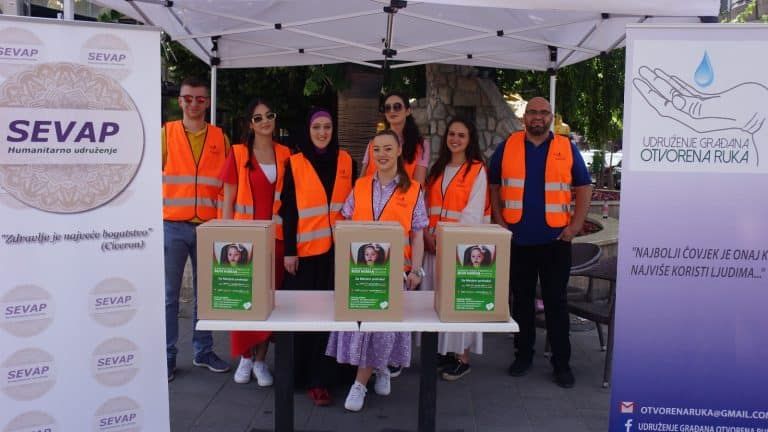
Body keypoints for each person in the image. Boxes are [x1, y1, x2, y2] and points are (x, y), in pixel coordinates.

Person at [489, 97, 592, 389]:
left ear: (551, 117)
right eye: (532, 112)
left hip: (555, 242)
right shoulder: (508, 145)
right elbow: (494, 183)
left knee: (556, 303)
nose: (538, 117)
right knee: (521, 301)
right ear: (525, 117)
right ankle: (523, 356)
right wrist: (499, 217)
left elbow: (584, 188)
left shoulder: (565, 147)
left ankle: (562, 364)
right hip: (518, 240)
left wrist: (574, 227)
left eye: (543, 113)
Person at [326, 130, 427, 412]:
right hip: (362, 270)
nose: (381, 154)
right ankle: (380, 368)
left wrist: (417, 270)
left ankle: (359, 384)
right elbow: (344, 221)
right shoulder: (359, 186)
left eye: (387, 149)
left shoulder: (414, 190)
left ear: (398, 152)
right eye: (377, 149)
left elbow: (418, 233)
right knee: (364, 329)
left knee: (380, 329)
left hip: (396, 273)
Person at [279, 107, 354, 406]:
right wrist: (289, 252)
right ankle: (301, 375)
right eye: (316, 127)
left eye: (327, 127)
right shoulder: (294, 163)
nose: (322, 132)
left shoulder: (348, 160)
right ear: (308, 131)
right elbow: (288, 211)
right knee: (305, 319)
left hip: (337, 255)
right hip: (306, 256)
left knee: (333, 319)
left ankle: (324, 379)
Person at [219, 97, 292, 386]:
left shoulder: (286, 154)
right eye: (258, 117)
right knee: (243, 300)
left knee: (270, 301)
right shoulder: (238, 154)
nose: (265, 121)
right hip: (243, 241)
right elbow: (228, 199)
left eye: (269, 115)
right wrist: (226, 237)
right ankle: (245, 357)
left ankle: (261, 359)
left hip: (276, 240)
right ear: (250, 124)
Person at [162, 76, 231, 382]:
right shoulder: (166, 134)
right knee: (169, 296)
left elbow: (226, 185)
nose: (194, 104)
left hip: (207, 226)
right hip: (172, 225)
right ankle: (167, 357)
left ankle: (203, 351)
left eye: (200, 99)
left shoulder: (220, 137)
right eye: (188, 98)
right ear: (180, 101)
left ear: (207, 102)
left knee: (206, 295)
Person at [422, 117, 490, 381]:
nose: (455, 139)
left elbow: (473, 213)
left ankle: (463, 357)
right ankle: (443, 351)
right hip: (433, 246)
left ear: (470, 139)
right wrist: (427, 235)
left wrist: (445, 241)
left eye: (461, 135)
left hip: (461, 248)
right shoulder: (439, 168)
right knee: (437, 299)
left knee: (459, 302)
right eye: (451, 134)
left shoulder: (476, 170)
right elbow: (428, 207)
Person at [361, 91, 430, 184]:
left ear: (408, 111)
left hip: (404, 197)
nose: (392, 111)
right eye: (387, 108)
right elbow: (362, 178)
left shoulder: (421, 145)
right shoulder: (373, 142)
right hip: (371, 196)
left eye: (397, 107)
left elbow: (418, 185)